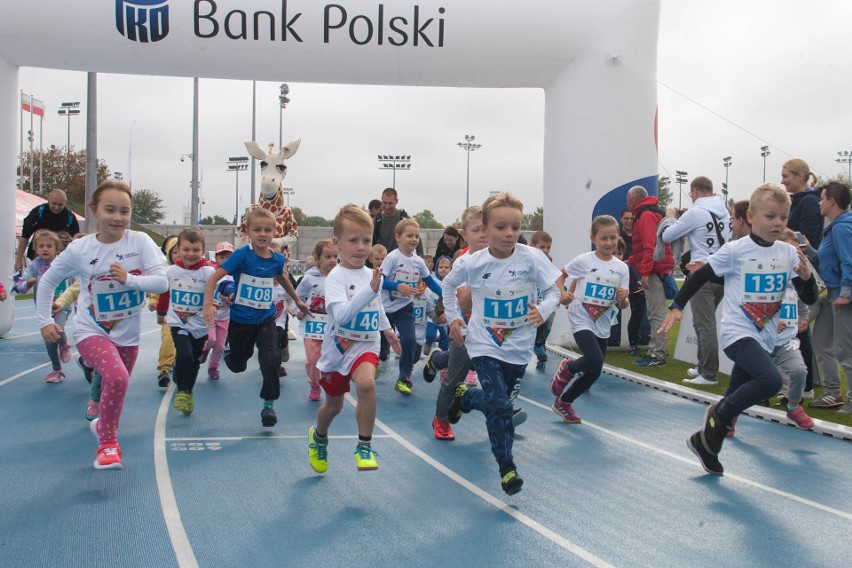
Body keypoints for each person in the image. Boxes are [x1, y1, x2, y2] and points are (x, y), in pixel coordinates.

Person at [659, 183, 818, 475]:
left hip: (765, 337)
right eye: (771, 216)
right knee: (769, 382)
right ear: (751, 215)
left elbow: (808, 297)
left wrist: (807, 277)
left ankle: (706, 445)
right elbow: (701, 276)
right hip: (738, 332)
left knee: (732, 403)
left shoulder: (789, 253)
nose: (778, 223)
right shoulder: (735, 250)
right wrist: (677, 306)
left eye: (783, 217)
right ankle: (717, 414)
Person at [37, 180, 168, 470]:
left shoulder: (140, 242)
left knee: (116, 386)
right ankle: (108, 444)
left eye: (125, 211)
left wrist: (130, 279)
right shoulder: (81, 249)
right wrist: (45, 321)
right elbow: (48, 281)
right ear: (95, 210)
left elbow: (162, 281)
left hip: (127, 335)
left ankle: (101, 426)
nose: (118, 217)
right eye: (110, 210)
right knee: (117, 377)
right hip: (90, 329)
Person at [443, 193, 562, 495]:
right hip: (483, 344)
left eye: (515, 227)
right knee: (499, 405)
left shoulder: (532, 258)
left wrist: (543, 309)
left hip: (518, 347)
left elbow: (554, 291)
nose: (509, 233)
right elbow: (447, 286)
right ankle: (507, 468)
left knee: (500, 405)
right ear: (484, 229)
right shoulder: (472, 262)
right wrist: (455, 319)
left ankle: (466, 398)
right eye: (501, 227)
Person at [308, 204, 401, 474]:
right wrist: (370, 290)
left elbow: (377, 307)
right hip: (338, 351)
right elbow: (344, 316)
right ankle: (319, 437)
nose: (361, 247)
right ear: (337, 243)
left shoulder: (372, 275)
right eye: (353, 240)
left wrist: (387, 331)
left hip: (366, 346)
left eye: (366, 240)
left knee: (367, 385)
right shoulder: (335, 277)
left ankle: (364, 446)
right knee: (333, 407)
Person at [203, 208, 309, 428]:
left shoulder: (277, 259)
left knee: (271, 359)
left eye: (268, 230)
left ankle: (268, 405)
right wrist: (207, 306)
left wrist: (297, 300)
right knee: (238, 365)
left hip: (265, 319)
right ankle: (235, 356)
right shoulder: (242, 255)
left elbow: (282, 277)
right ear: (248, 232)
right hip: (241, 321)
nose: (263, 234)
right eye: (257, 229)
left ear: (274, 232)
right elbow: (214, 277)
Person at [550, 216, 629, 423]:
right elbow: (560, 275)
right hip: (581, 317)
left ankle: (564, 403)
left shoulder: (622, 268)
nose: (609, 242)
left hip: (603, 321)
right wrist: (562, 292)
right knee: (594, 359)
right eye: (604, 238)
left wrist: (623, 299)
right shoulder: (584, 260)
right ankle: (568, 367)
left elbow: (623, 305)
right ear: (593, 238)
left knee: (595, 371)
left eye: (613, 237)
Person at [423, 205, 489, 441]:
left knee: (501, 378)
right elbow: (464, 301)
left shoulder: (505, 256)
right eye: (476, 229)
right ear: (464, 234)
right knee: (454, 379)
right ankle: (441, 418)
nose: (483, 234)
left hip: (495, 333)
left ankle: (468, 403)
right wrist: (453, 319)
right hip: (467, 329)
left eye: (486, 228)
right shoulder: (463, 261)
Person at [661, 176, 731, 386]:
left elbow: (667, 236)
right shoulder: (725, 212)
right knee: (702, 322)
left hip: (701, 273)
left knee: (705, 324)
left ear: (696, 191)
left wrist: (670, 218)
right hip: (721, 273)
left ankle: (709, 373)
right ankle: (702, 367)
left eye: (691, 193)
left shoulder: (696, 212)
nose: (691, 197)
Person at [379, 218, 443, 395]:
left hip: (405, 308)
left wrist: (445, 294)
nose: (414, 239)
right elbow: (380, 281)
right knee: (382, 343)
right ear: (398, 237)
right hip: (386, 309)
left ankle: (404, 377)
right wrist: (397, 286)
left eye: (416, 236)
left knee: (409, 339)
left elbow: (429, 281)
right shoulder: (392, 258)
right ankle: (375, 362)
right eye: (409, 235)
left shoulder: (418, 262)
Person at [157, 229, 215, 416]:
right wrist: (161, 312)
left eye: (196, 250)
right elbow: (165, 293)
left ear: (203, 251)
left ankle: (189, 391)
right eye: (186, 249)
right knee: (185, 354)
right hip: (179, 323)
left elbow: (215, 292)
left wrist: (215, 305)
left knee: (195, 361)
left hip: (200, 325)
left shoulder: (208, 272)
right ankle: (181, 390)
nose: (191, 254)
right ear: (178, 251)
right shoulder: (171, 272)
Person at [812, 181, 852, 414]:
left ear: (832, 201)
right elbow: (830, 259)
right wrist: (808, 250)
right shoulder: (837, 227)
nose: (820, 202)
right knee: (821, 341)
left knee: (845, 349)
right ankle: (831, 391)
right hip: (834, 292)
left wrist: (846, 294)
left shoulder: (841, 228)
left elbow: (849, 261)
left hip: (841, 296)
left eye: (823, 197)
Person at [15, 229, 73, 382]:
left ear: (57, 249)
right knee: (49, 341)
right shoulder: (34, 266)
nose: (45, 249)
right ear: (35, 248)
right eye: (41, 246)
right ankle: (56, 370)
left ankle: (64, 343)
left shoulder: (62, 263)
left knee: (57, 329)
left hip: (61, 305)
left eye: (49, 246)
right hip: (43, 309)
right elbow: (19, 287)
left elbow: (76, 279)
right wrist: (28, 283)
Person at [626, 185, 674, 367]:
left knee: (656, 314)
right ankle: (657, 351)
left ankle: (657, 354)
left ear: (634, 199)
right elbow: (647, 246)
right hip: (658, 268)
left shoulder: (645, 216)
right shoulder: (651, 213)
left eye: (628, 199)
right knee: (656, 313)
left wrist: (644, 272)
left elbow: (649, 246)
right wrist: (631, 261)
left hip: (654, 271)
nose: (627, 203)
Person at [296, 239, 338, 401]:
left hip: (332, 323)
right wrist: (298, 310)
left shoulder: (340, 277)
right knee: (313, 357)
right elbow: (298, 297)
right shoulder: (308, 279)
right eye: (328, 256)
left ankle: (327, 378)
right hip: (312, 322)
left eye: (335, 256)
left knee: (331, 356)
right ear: (318, 258)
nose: (333, 260)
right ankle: (314, 384)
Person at [15, 188, 80, 271]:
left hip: (60, 261)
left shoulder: (69, 217)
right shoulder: (38, 213)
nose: (56, 207)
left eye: (60, 205)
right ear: (48, 200)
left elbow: (76, 242)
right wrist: (18, 260)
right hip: (36, 258)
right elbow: (25, 236)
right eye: (54, 204)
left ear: (65, 203)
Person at [202, 242, 234, 380]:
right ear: (216, 257)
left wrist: (229, 299)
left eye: (229, 257)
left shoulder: (235, 276)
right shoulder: (211, 272)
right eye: (222, 256)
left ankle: (213, 367)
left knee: (220, 346)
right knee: (210, 339)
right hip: (210, 316)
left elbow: (232, 295)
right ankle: (203, 353)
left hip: (224, 317)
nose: (226, 260)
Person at [151, 235, 178, 388]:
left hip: (187, 316)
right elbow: (159, 290)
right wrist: (154, 302)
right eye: (174, 252)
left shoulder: (194, 273)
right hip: (169, 314)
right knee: (168, 339)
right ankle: (164, 370)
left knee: (183, 344)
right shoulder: (165, 272)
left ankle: (179, 364)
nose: (179, 255)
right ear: (168, 255)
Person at [620, 207, 647, 356]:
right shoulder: (617, 236)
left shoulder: (640, 235)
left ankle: (633, 345)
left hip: (637, 280)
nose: (629, 221)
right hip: (618, 279)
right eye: (626, 218)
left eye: (632, 218)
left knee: (637, 313)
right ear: (621, 219)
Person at [781, 158, 823, 248]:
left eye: (785, 176)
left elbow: (806, 241)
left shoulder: (809, 201)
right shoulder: (796, 201)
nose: (782, 181)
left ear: (800, 176)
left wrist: (779, 228)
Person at [530, 230, 556, 369]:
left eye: (548, 247)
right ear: (532, 246)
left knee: (547, 321)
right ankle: (532, 345)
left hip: (544, 301)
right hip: (530, 302)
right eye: (542, 247)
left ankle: (540, 344)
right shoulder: (526, 261)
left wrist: (559, 295)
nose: (545, 250)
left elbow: (554, 281)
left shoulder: (549, 261)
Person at [371, 187, 423, 255]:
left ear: (397, 201)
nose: (387, 206)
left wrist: (420, 259)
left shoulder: (404, 220)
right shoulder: (376, 221)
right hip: (381, 261)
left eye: (390, 203)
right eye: (385, 203)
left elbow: (417, 241)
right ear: (381, 200)